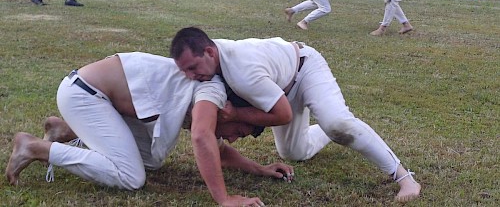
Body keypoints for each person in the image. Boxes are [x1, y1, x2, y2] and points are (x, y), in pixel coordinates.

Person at [170, 27, 422, 203]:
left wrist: (236, 113)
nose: (191, 76)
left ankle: (405, 178)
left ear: (210, 52)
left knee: (338, 123)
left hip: (305, 68)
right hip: (279, 88)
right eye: (185, 71)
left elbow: (283, 115)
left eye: (193, 68)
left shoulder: (241, 71)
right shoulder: (210, 58)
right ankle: (326, 127)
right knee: (294, 153)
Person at [5, 52, 293, 207]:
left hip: (93, 96)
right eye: (238, 132)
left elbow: (218, 150)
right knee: (131, 176)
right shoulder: (213, 93)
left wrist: (260, 169)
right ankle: (36, 147)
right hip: (85, 94)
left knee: (148, 159)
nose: (231, 138)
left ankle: (66, 130)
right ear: (231, 110)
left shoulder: (211, 98)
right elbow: (203, 139)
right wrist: (224, 199)